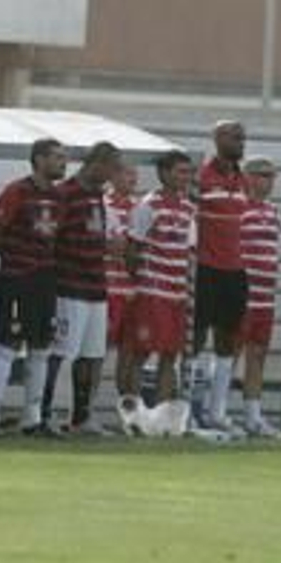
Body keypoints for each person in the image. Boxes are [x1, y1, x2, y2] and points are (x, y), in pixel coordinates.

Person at [0, 138, 67, 436]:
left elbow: (59, 238)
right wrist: (17, 258)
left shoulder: (59, 197)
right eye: (57, 157)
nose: (63, 162)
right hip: (18, 278)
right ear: (39, 159)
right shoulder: (16, 191)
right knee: (8, 342)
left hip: (45, 280)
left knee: (42, 346)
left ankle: (32, 416)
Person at [51, 142, 124, 435]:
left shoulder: (97, 196)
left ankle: (83, 416)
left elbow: (93, 236)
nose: (113, 175)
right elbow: (54, 238)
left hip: (96, 284)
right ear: (98, 164)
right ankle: (53, 413)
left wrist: (106, 247)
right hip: (70, 284)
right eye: (112, 168)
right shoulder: (66, 194)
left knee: (93, 354)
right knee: (64, 351)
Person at [117, 150, 196, 420]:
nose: (185, 177)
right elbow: (132, 248)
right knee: (140, 354)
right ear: (163, 173)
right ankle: (135, 416)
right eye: (180, 171)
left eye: (188, 172)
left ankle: (161, 418)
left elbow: (189, 249)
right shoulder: (148, 205)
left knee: (169, 356)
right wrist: (140, 281)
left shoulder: (188, 207)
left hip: (176, 293)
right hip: (152, 292)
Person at [195, 121, 249, 433]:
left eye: (243, 137)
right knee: (198, 338)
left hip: (234, 269)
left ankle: (217, 412)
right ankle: (191, 409)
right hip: (205, 267)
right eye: (234, 136)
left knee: (228, 341)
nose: (240, 141)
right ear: (217, 139)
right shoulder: (202, 176)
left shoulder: (243, 180)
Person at [236, 156, 281, 439]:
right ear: (249, 177)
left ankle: (253, 416)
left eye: (272, 176)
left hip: (266, 296)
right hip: (244, 294)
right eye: (264, 175)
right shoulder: (239, 208)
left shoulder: (272, 210)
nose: (269, 182)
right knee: (232, 352)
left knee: (258, 354)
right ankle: (215, 410)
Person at [104, 164, 138, 358]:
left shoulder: (140, 207)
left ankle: (125, 389)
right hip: (107, 287)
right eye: (128, 172)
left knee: (129, 349)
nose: (133, 179)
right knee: (99, 346)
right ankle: (91, 388)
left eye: (135, 174)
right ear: (114, 176)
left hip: (132, 290)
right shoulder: (102, 204)